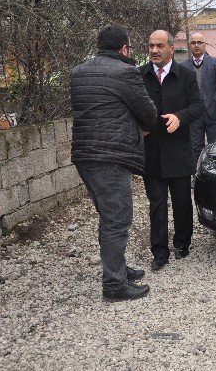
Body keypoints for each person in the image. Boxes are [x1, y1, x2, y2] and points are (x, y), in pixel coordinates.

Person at [70, 24, 157, 301]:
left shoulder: (78, 72)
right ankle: (115, 286)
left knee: (109, 217)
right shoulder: (125, 72)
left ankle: (117, 268)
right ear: (123, 48)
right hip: (111, 156)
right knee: (117, 220)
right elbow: (148, 112)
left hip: (84, 155)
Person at [140, 30, 203, 271]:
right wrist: (140, 127)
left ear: (170, 49)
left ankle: (182, 243)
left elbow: (198, 106)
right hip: (152, 152)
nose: (154, 50)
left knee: (181, 202)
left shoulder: (185, 76)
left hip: (178, 150)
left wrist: (180, 117)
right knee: (156, 203)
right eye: (150, 46)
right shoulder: (140, 75)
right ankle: (159, 251)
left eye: (159, 46)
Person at [180, 32, 216, 165]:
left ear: (205, 45)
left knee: (215, 148)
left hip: (213, 112)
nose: (196, 45)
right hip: (194, 114)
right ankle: (197, 177)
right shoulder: (184, 66)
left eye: (199, 42)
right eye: (193, 43)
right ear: (190, 45)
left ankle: (214, 175)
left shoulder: (215, 63)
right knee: (195, 147)